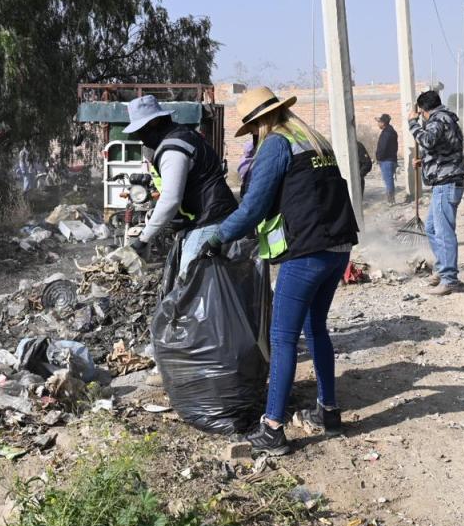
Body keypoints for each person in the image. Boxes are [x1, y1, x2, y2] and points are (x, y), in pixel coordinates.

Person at [202, 86, 360, 454]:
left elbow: (254, 206)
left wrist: (219, 238)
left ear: (260, 120)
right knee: (315, 327)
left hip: (307, 251)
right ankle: (328, 411)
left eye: (254, 126)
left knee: (282, 337)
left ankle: (272, 429)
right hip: (338, 247)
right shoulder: (312, 137)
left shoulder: (275, 143)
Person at [123, 95, 238, 277]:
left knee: (191, 282)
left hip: (210, 219)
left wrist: (144, 239)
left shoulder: (172, 149)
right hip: (217, 215)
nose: (140, 137)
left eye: (141, 130)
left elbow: (171, 199)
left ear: (154, 123)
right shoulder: (183, 135)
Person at [408, 90, 464, 296]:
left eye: (420, 113)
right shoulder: (445, 119)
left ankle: (450, 279)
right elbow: (445, 149)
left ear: (423, 110)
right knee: (432, 228)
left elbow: (428, 140)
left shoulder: (438, 119)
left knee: (443, 233)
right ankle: (442, 270)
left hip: (447, 183)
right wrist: (424, 161)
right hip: (443, 182)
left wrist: (413, 124)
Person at [375, 113, 399, 204]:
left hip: (386, 160)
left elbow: (383, 147)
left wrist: (379, 157)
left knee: (388, 181)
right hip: (391, 159)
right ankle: (391, 200)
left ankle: (391, 201)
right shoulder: (391, 131)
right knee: (389, 180)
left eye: (379, 122)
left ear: (383, 123)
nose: (378, 124)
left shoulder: (387, 133)